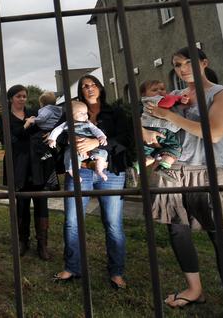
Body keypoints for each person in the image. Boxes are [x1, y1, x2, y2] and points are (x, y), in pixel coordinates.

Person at [145, 47, 223, 312]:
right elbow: (152, 123)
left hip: (211, 169)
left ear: (204, 63)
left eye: (189, 62)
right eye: (177, 65)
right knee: (177, 229)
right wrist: (147, 131)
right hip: (175, 169)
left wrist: (170, 115)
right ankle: (194, 289)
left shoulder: (222, 93)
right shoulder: (174, 96)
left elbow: (215, 133)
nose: (183, 68)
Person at [53, 74, 131, 290]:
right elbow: (58, 137)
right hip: (80, 172)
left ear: (100, 87)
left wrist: (95, 141)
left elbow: (124, 138)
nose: (89, 88)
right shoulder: (70, 110)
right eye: (85, 86)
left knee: (113, 224)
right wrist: (73, 139)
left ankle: (116, 273)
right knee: (72, 221)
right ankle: (72, 267)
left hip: (110, 172)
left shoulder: (114, 112)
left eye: (93, 84)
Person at [0, 85, 54, 261]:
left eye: (24, 96)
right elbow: (6, 140)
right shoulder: (4, 117)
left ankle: (42, 244)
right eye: (18, 96)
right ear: (10, 98)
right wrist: (25, 127)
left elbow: (47, 127)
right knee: (21, 203)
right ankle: (23, 241)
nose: (22, 99)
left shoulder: (35, 113)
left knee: (41, 202)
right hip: (18, 165)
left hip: (37, 164)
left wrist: (50, 134)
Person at [47, 101, 109, 182]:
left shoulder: (88, 123)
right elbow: (57, 130)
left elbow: (96, 130)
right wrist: (52, 139)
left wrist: (102, 137)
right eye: (81, 113)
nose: (85, 115)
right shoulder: (67, 123)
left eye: (86, 113)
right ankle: (72, 171)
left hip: (90, 146)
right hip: (74, 147)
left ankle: (99, 169)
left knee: (102, 153)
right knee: (69, 155)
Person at [139, 79, 188, 171]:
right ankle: (164, 165)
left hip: (149, 128)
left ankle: (136, 168)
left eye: (162, 89)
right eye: (154, 90)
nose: (159, 92)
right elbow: (168, 102)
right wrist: (178, 98)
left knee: (150, 152)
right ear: (143, 94)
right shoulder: (153, 100)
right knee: (174, 147)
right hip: (160, 128)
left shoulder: (146, 101)